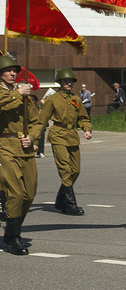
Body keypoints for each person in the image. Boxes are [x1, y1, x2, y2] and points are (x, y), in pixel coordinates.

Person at [0, 55, 42, 255]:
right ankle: (14, 237)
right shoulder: (10, 93)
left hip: (24, 148)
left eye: (15, 71)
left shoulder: (24, 96)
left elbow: (37, 121)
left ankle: (12, 230)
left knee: (29, 194)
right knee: (15, 193)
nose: (13, 73)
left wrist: (31, 137)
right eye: (8, 71)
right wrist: (18, 92)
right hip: (4, 147)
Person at [38, 68, 92, 216]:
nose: (69, 83)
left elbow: (83, 117)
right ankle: (69, 204)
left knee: (76, 170)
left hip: (72, 135)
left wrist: (86, 129)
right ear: (60, 82)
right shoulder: (52, 99)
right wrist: (35, 138)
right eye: (66, 81)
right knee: (65, 170)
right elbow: (42, 120)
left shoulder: (76, 99)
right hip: (58, 134)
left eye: (71, 81)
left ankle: (60, 200)